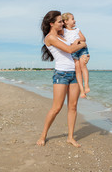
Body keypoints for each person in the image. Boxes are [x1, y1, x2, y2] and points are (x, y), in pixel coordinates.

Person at [37, 10, 88, 148]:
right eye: (60, 21)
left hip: (74, 74)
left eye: (62, 21)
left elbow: (73, 47)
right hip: (61, 74)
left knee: (72, 107)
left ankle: (70, 137)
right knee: (57, 107)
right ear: (52, 23)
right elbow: (69, 50)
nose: (63, 23)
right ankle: (43, 135)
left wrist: (83, 57)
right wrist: (82, 44)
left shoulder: (62, 35)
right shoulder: (50, 38)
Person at [62, 13, 90, 98]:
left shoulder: (77, 29)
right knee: (77, 69)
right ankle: (81, 90)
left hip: (82, 49)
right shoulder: (63, 31)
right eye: (72, 19)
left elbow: (84, 39)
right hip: (73, 51)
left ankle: (87, 85)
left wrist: (77, 40)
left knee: (83, 65)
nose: (75, 20)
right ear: (66, 21)